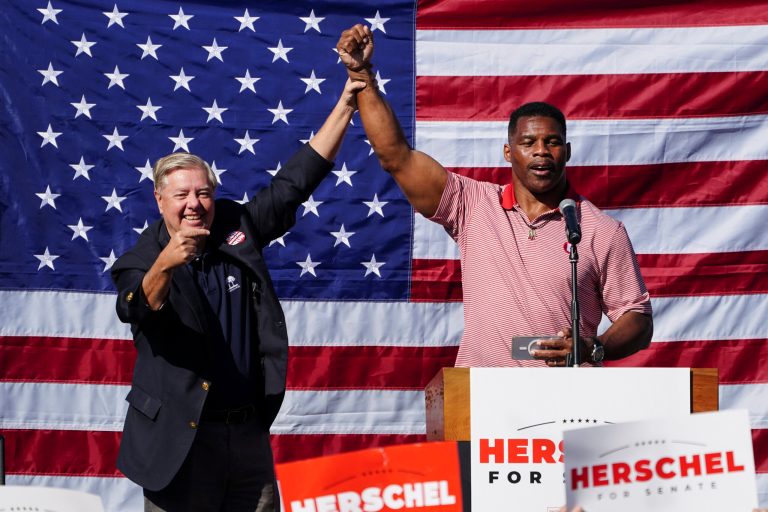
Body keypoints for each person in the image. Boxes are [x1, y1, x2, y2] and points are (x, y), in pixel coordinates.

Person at [111, 79, 366, 511]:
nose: (194, 204)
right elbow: (135, 308)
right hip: (180, 443)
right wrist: (167, 264)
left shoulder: (235, 227)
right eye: (181, 195)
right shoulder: (143, 257)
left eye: (203, 193)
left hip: (246, 435)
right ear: (159, 200)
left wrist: (346, 103)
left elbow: (293, 184)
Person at [336, 25, 652, 368]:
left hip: (564, 395)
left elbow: (637, 318)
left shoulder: (599, 230)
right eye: (528, 143)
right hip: (480, 393)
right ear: (508, 152)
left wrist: (593, 347)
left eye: (552, 142)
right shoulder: (472, 205)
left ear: (568, 151)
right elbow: (396, 157)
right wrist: (361, 73)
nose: (541, 151)